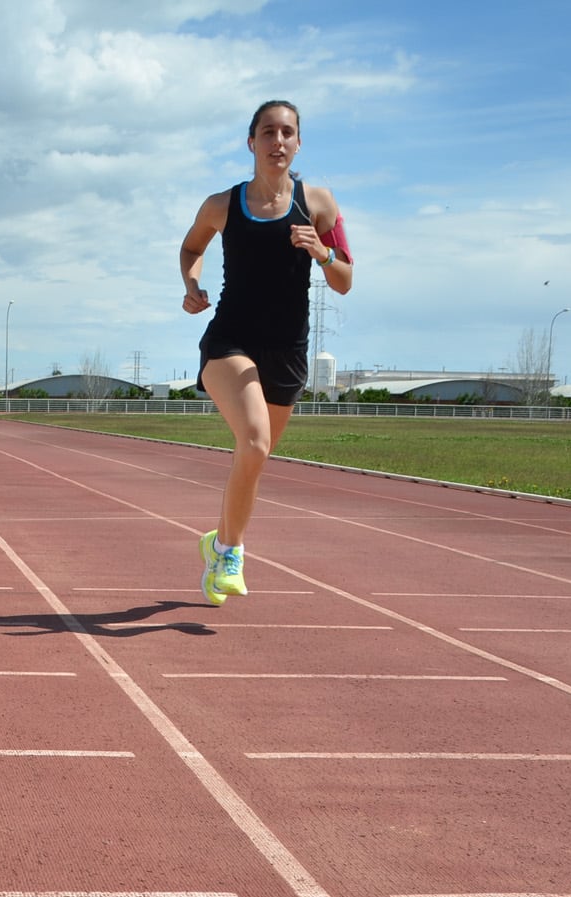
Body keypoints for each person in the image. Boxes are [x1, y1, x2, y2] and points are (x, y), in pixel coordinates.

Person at [179, 100, 352, 605]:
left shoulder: (318, 203)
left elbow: (345, 279)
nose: (278, 141)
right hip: (229, 340)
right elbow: (192, 247)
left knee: (253, 459)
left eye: (288, 133)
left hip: (288, 350)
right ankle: (230, 553)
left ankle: (216, 540)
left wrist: (322, 253)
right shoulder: (222, 205)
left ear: (298, 144)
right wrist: (192, 284)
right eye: (268, 132)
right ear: (251, 141)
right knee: (253, 442)